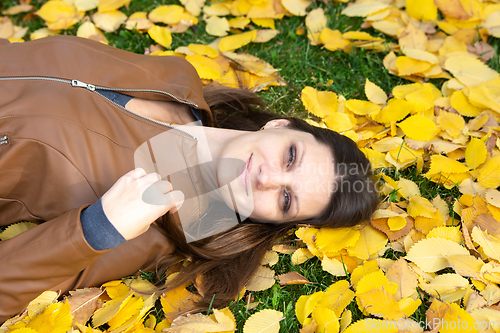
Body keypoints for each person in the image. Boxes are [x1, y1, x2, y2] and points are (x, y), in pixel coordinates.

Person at [0, 35, 379, 323]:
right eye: (290, 156)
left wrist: (97, 228)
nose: (268, 177)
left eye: (285, 199)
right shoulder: (177, 79)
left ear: (272, 221)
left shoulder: (150, 227)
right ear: (278, 125)